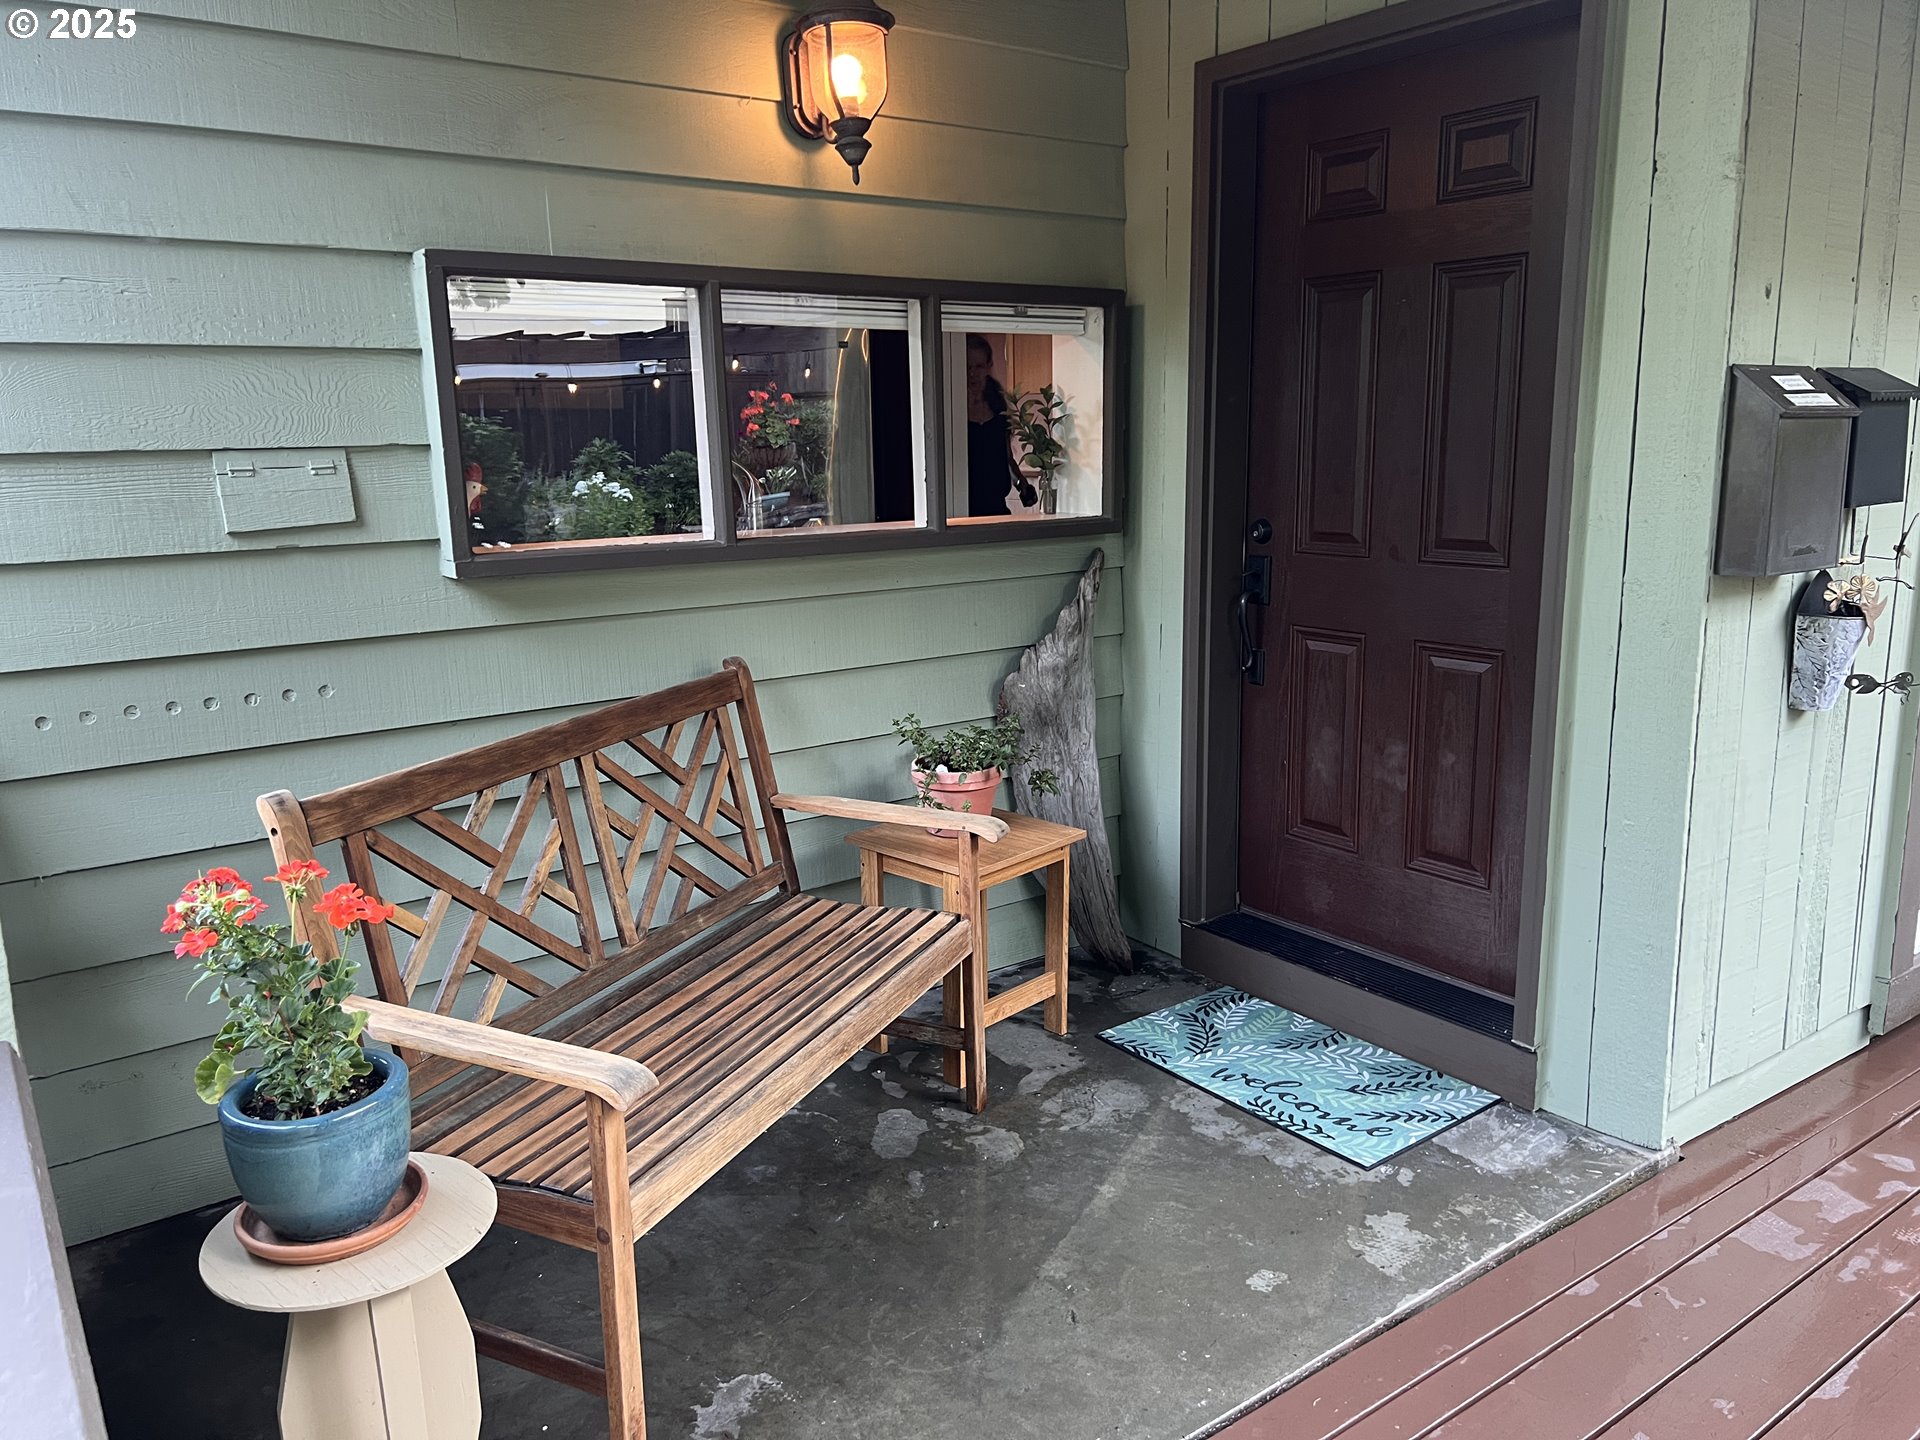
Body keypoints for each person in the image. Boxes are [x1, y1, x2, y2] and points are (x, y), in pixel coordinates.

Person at [964, 334, 1037, 516]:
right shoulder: (952, 408)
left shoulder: (997, 405)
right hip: (963, 507)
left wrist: (1022, 484)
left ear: (988, 366)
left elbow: (1006, 456)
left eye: (979, 366)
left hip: (996, 506)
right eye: (967, 367)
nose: (972, 373)